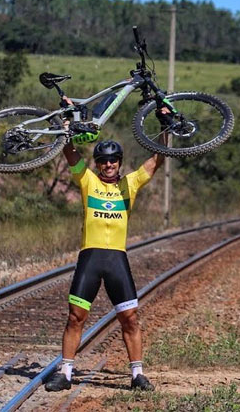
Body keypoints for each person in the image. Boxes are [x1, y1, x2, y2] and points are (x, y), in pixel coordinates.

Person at [45, 109, 167, 392]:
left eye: (113, 159)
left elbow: (157, 159)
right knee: (76, 317)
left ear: (120, 162)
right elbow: (70, 154)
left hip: (117, 259)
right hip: (91, 256)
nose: (108, 164)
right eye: (103, 160)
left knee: (130, 318)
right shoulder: (88, 181)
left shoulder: (130, 183)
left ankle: (137, 375)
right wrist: (65, 127)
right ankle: (65, 372)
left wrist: (164, 126)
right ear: (97, 164)